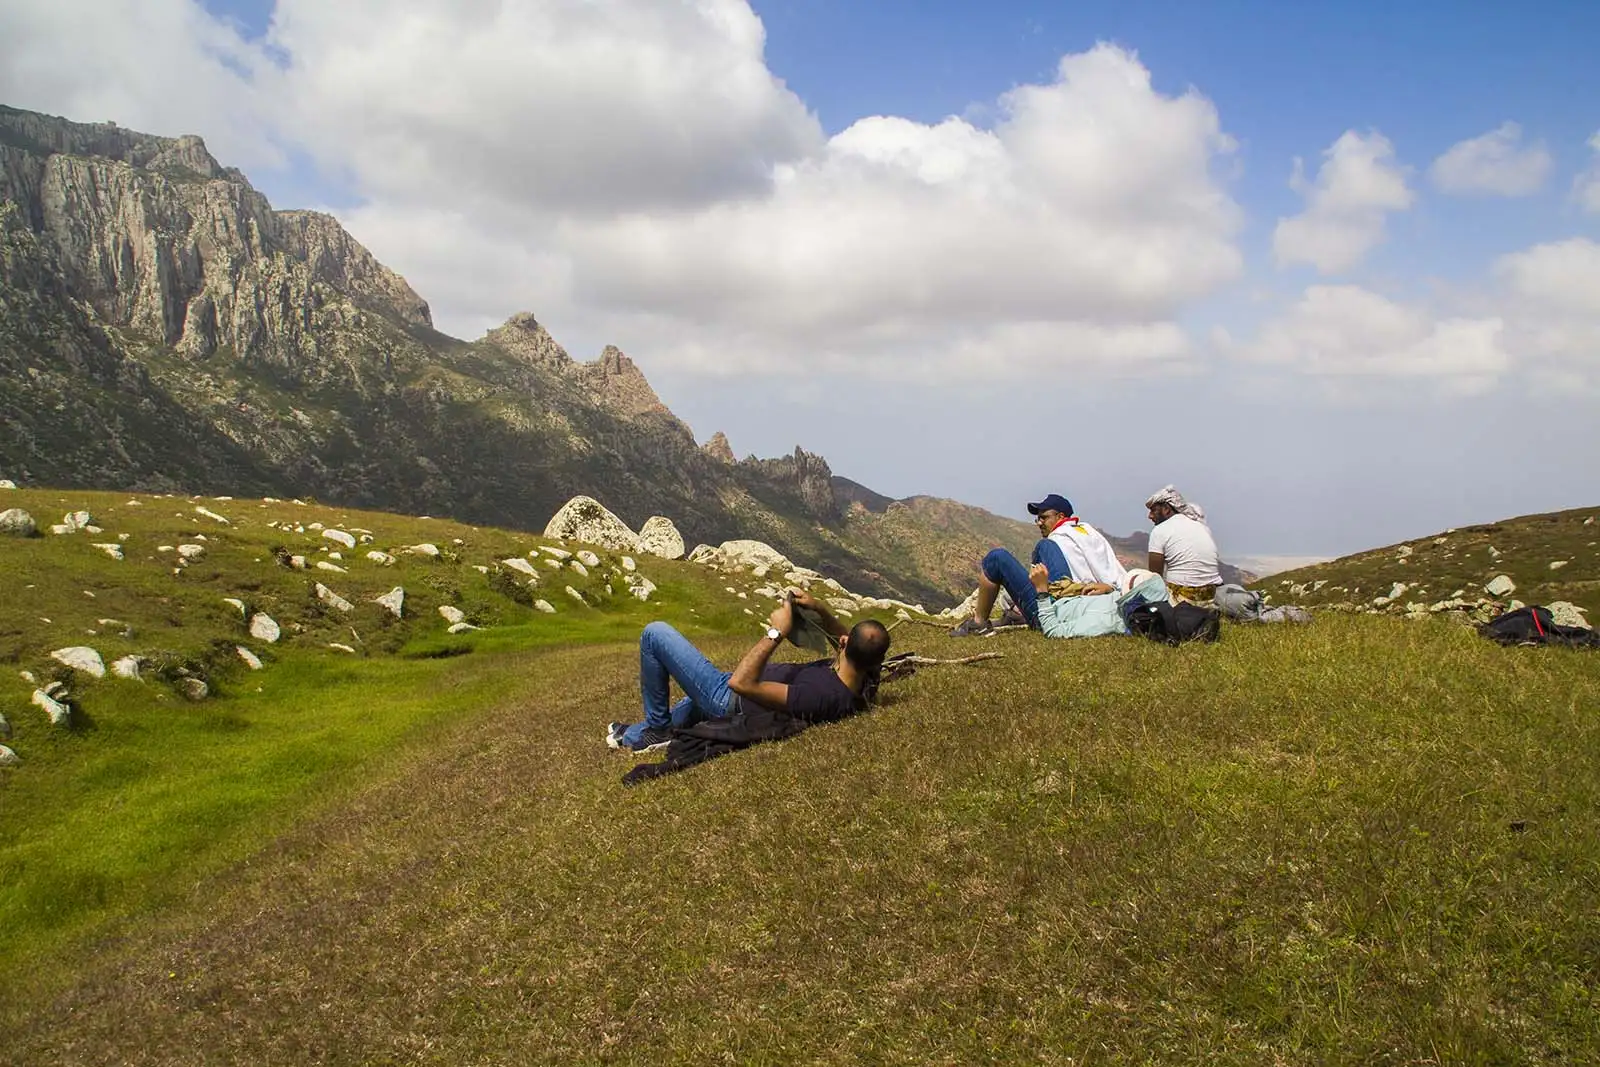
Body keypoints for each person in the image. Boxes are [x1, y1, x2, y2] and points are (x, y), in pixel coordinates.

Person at [607, 589, 891, 754]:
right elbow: (849, 639)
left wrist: (777, 631)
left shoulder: (822, 696)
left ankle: (656, 729)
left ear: (844, 644)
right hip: (729, 695)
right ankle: (634, 735)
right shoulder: (865, 678)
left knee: (654, 634)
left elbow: (741, 683)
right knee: (671, 717)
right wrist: (820, 610)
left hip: (726, 697)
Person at [950, 493, 1129, 636]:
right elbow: (1112, 571)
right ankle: (1014, 614)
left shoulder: (1055, 541)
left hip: (1054, 613)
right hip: (1087, 600)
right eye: (1038, 519)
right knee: (1045, 546)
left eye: (1044, 517)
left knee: (996, 558)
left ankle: (979, 623)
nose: (1039, 523)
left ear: (1060, 516)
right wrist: (1110, 588)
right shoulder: (1088, 533)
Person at [1027, 564, 1171, 639]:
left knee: (1003, 558)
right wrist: (1110, 588)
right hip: (1064, 598)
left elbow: (1053, 631)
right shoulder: (1125, 605)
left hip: (1042, 610)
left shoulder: (1103, 622)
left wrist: (1042, 590)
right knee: (1047, 545)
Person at [1144, 485, 1222, 602]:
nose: (1149, 516)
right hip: (1213, 593)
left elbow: (1155, 577)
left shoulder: (1160, 530)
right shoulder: (1201, 526)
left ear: (1166, 509)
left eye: (1153, 510)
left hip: (1182, 595)